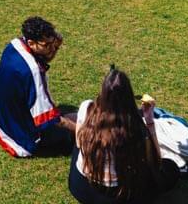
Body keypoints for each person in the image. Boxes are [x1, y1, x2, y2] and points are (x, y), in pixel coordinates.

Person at [69, 67, 180, 204]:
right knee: (170, 169)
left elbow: (79, 143)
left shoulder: (86, 108)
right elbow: (155, 161)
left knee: (77, 148)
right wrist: (149, 121)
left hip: (80, 186)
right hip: (116, 197)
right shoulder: (134, 128)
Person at [0, 17, 75, 158]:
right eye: (47, 45)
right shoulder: (33, 72)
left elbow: (43, 59)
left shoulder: (14, 45)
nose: (51, 48)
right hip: (21, 140)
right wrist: (81, 131)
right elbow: (49, 119)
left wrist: (54, 47)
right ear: (31, 43)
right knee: (76, 120)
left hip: (2, 123)